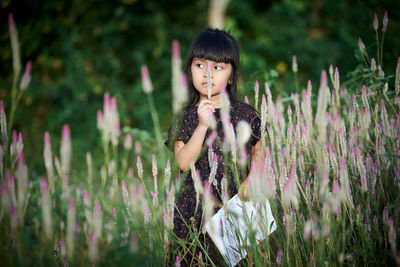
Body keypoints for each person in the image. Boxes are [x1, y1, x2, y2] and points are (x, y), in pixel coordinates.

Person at [165, 28, 264, 266]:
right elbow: (182, 162)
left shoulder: (245, 114)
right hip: (192, 214)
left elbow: (258, 150)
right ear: (190, 69)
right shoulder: (185, 118)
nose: (207, 74)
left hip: (233, 207)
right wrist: (201, 126)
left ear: (231, 76)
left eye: (217, 67)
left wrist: (253, 178)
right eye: (200, 65)